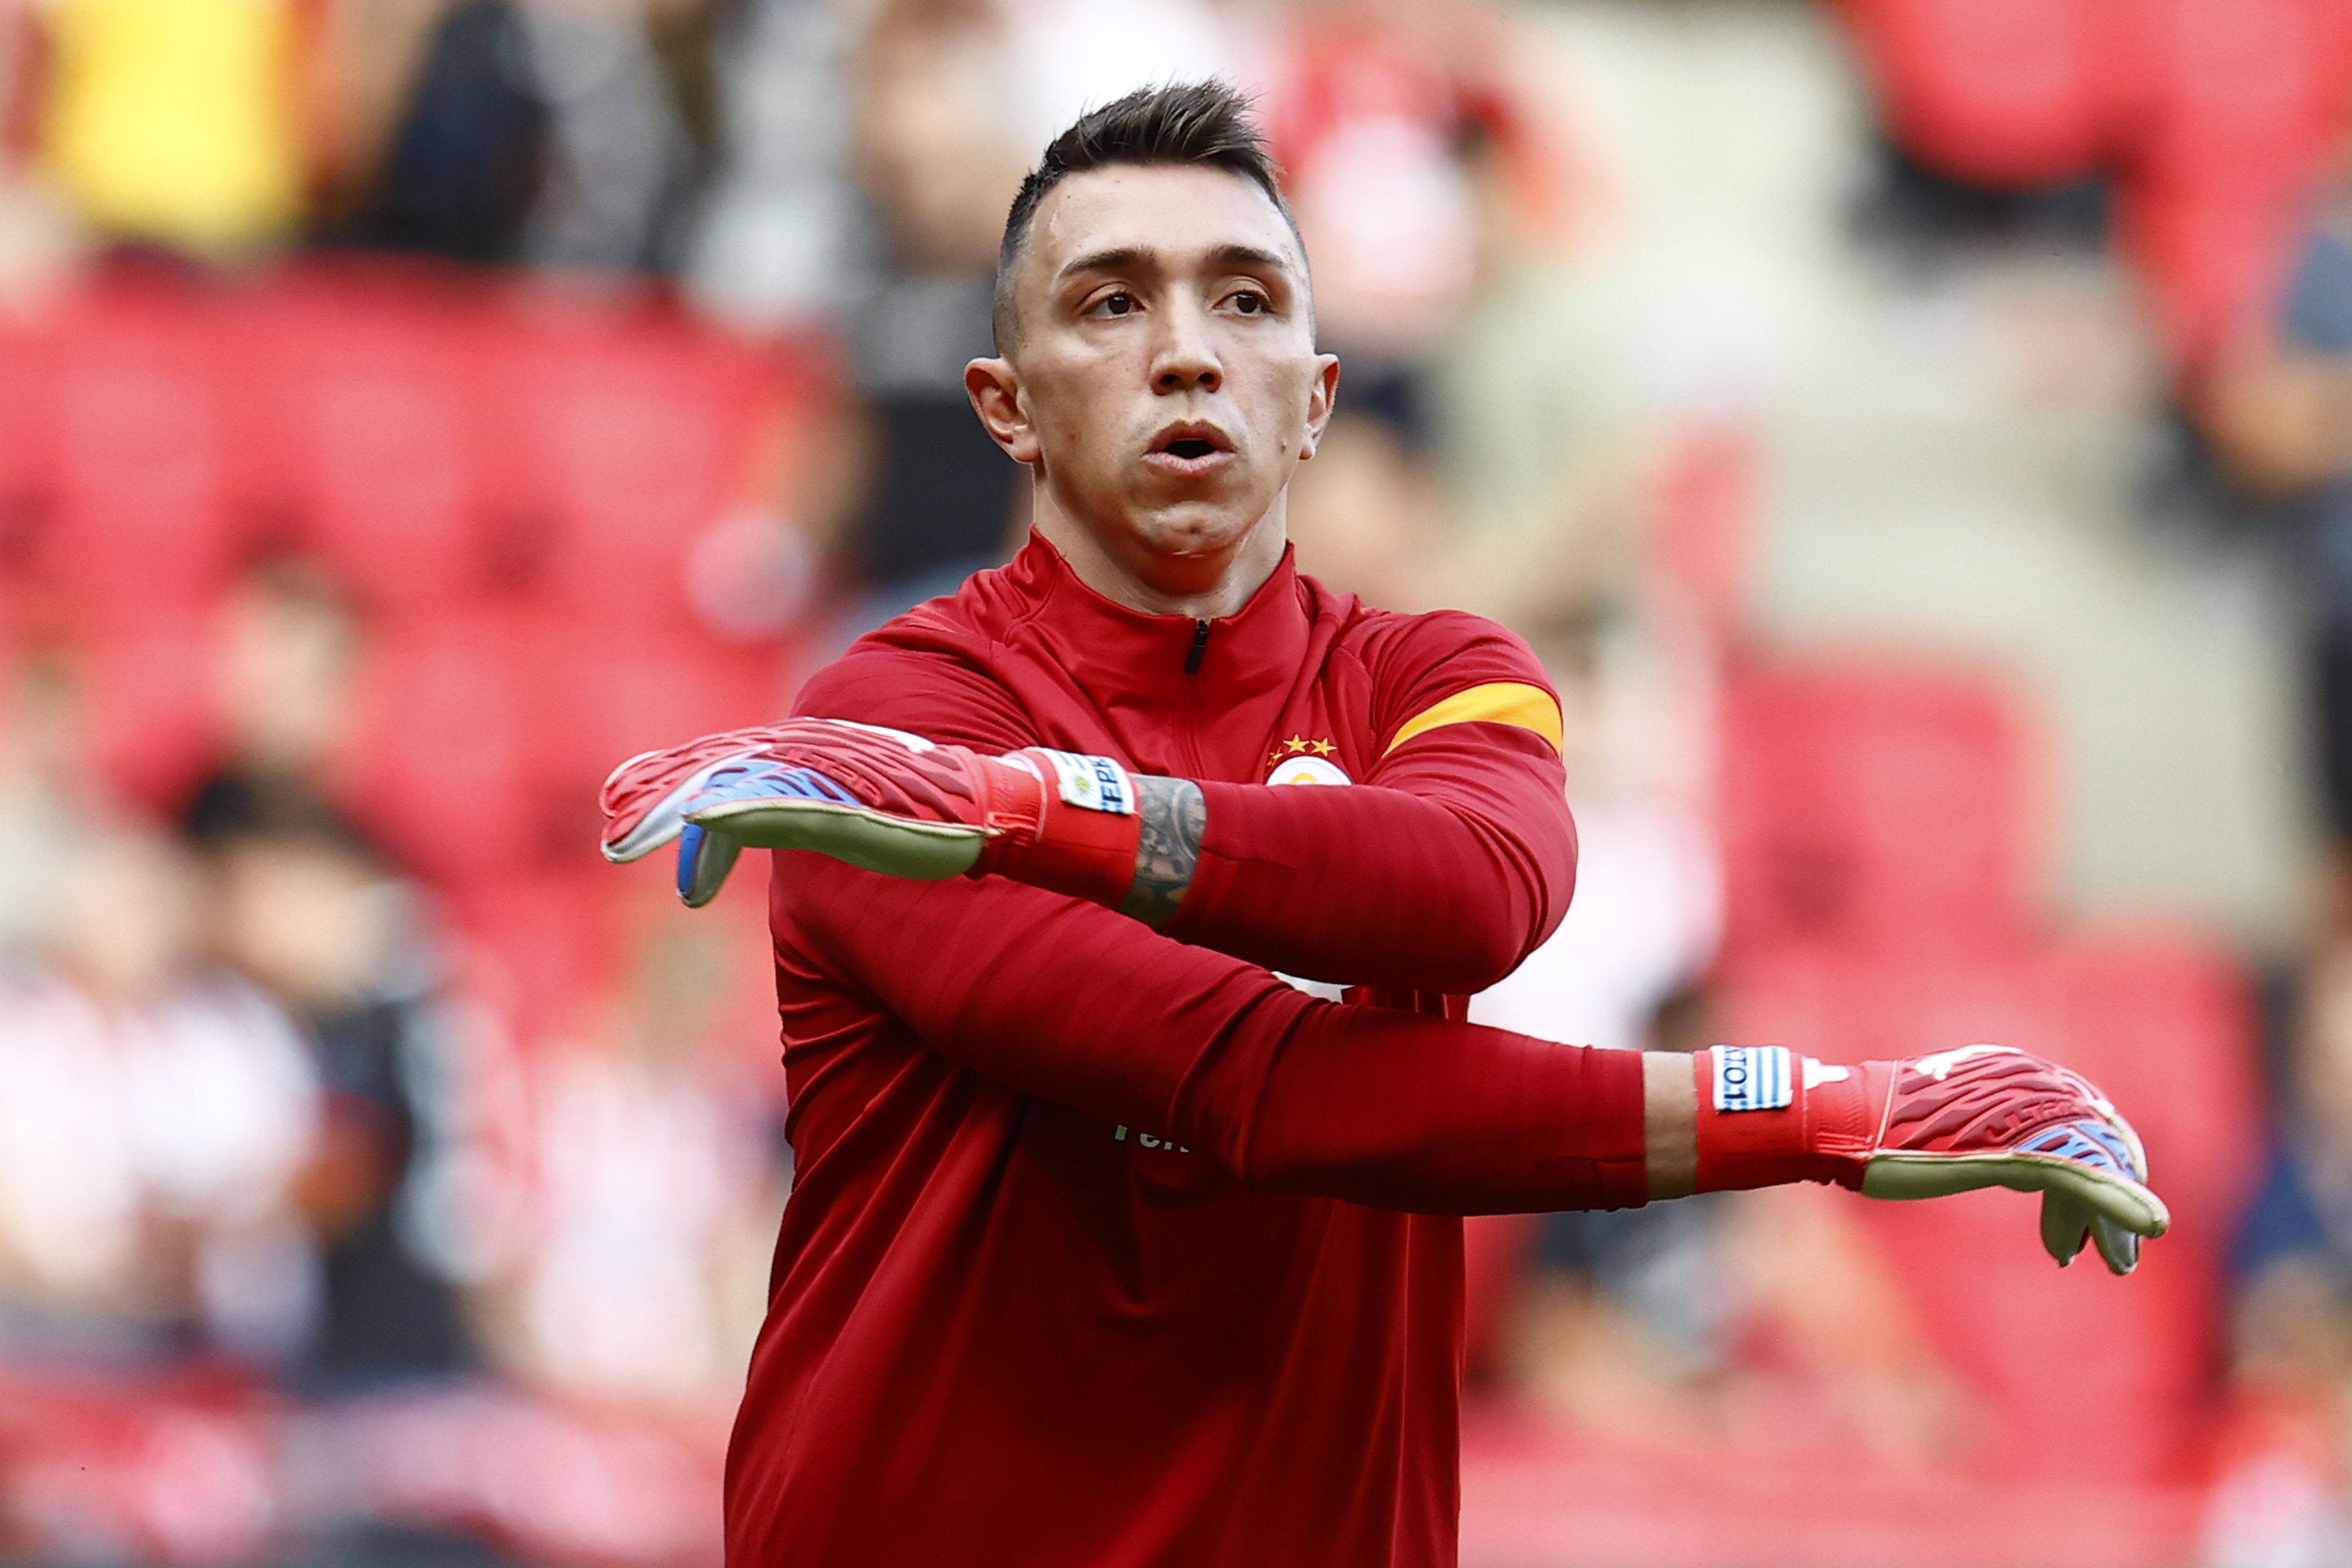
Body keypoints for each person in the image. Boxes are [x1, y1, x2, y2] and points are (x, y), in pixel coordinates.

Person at [599, 83, 2165, 1566]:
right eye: (1110, 302)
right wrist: (1825, 1115)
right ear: (1004, 407)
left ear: (1317, 401)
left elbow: (1471, 899)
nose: (1189, 352)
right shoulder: (893, 723)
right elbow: (1265, 1090)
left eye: (1246, 300)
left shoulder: (1443, 679)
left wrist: (1035, 819)